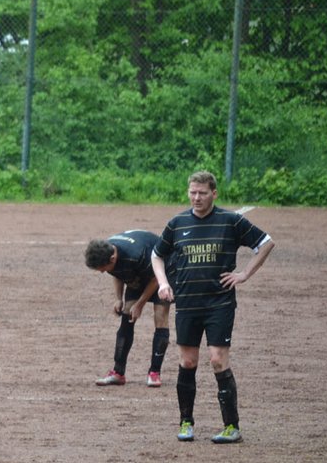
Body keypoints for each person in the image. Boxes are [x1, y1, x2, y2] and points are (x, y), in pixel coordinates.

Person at [151, 170, 275, 444]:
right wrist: (162, 283)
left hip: (219, 303)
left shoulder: (230, 221)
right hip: (187, 304)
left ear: (214, 193)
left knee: (218, 360)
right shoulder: (177, 223)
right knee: (187, 362)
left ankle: (232, 427)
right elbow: (157, 255)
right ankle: (186, 422)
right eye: (192, 192)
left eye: (202, 193)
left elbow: (266, 243)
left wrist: (244, 274)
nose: (196, 197)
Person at [85, 230, 174, 388]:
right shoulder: (108, 250)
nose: (101, 271)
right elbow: (117, 273)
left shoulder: (137, 254)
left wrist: (139, 304)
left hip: (162, 274)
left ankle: (154, 373)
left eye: (102, 268)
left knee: (160, 317)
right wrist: (118, 298)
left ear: (113, 258)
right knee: (127, 315)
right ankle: (118, 373)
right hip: (137, 273)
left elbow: (155, 279)